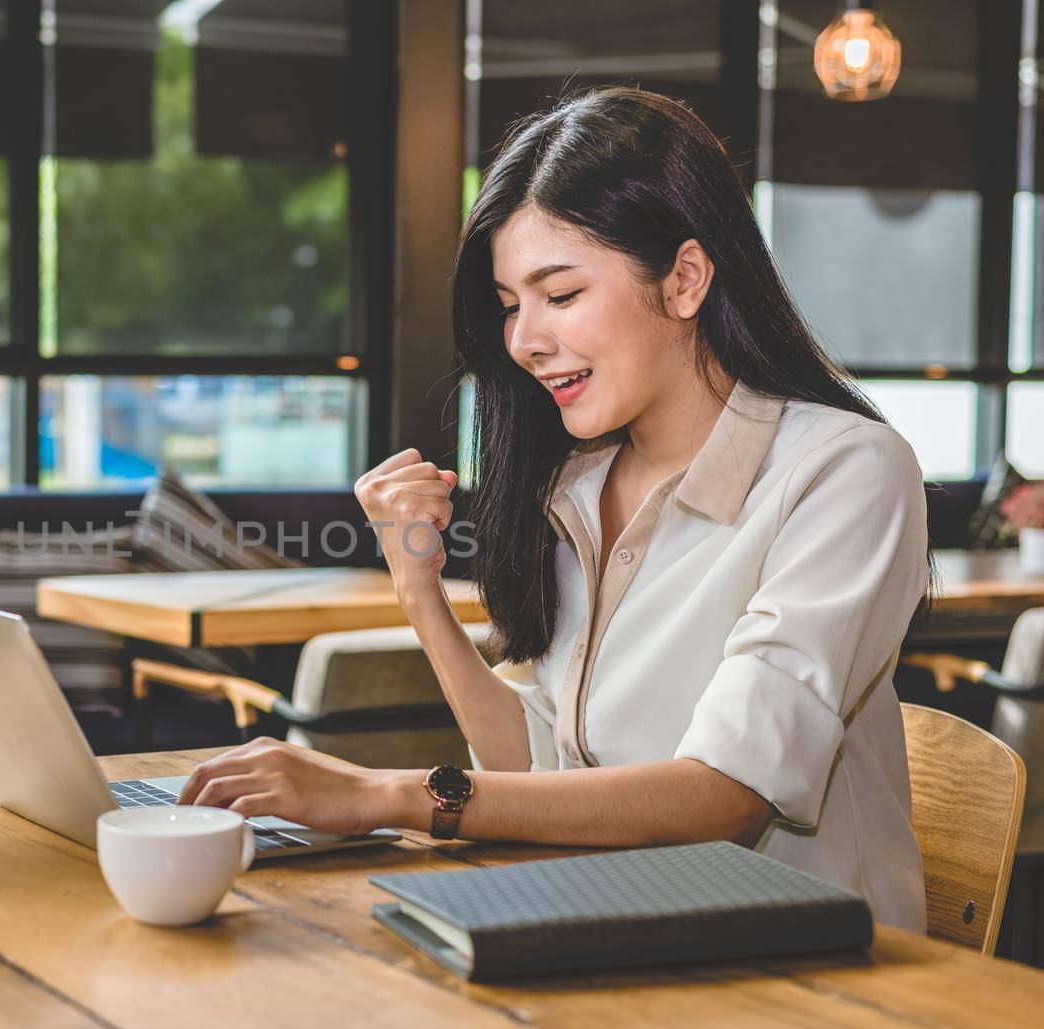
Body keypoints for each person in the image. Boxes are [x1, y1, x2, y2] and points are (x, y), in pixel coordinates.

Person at [177, 86, 931, 932]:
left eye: (560, 294)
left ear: (684, 278)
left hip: (809, 979)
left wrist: (384, 793)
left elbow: (727, 799)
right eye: (509, 306)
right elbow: (535, 767)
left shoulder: (845, 470)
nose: (524, 339)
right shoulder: (578, 483)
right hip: (611, 925)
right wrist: (418, 591)